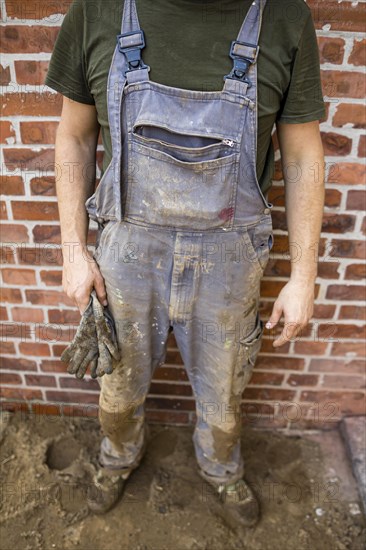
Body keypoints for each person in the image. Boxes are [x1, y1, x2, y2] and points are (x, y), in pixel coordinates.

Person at [45, 0, 326, 527]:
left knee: (223, 400)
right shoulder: (98, 10)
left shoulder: (284, 17)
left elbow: (304, 152)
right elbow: (74, 134)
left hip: (229, 261)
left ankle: (221, 467)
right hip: (127, 256)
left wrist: (304, 276)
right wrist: (73, 250)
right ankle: (118, 455)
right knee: (118, 392)